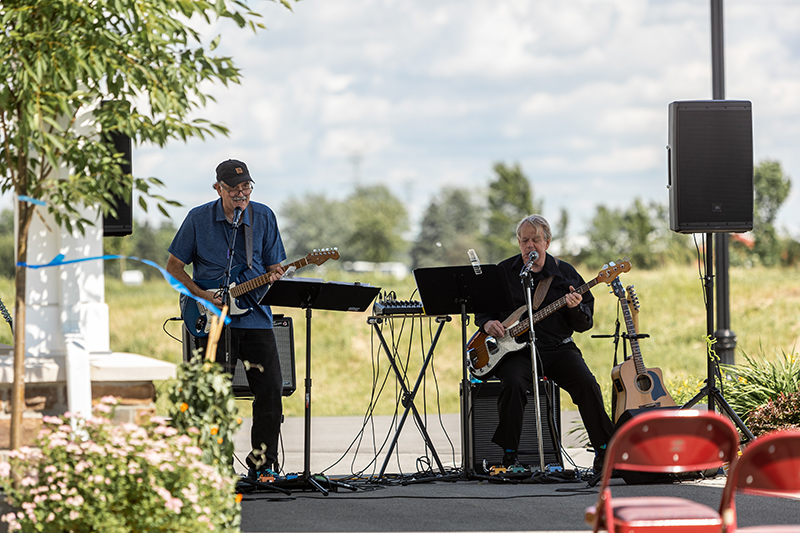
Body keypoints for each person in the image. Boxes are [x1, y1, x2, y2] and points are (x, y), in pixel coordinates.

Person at [167, 159, 286, 480]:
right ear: (218, 188)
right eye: (233, 188)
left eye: (246, 187)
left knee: (271, 391)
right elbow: (174, 267)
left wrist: (275, 274)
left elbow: (275, 265)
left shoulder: (263, 216)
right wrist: (203, 295)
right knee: (211, 395)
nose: (241, 193)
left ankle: (263, 467)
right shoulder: (198, 218)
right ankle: (211, 468)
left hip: (256, 319)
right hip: (211, 319)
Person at [474, 214, 615, 473]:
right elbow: (482, 310)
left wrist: (575, 308)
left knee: (586, 383)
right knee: (514, 384)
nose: (530, 245)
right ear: (518, 242)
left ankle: (605, 451)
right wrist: (486, 323)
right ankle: (509, 456)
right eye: (525, 240)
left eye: (535, 240)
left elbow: (585, 323)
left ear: (547, 242)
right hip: (516, 352)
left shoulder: (566, 273)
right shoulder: (504, 271)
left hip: (557, 348)